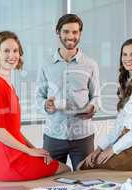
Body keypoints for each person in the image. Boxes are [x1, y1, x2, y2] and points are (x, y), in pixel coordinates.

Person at [0, 31, 70, 181]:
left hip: (12, 155)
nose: (12, 55)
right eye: (6, 51)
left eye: (15, 51)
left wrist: (33, 149)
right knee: (66, 169)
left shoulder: (7, 83)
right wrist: (29, 152)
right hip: (9, 160)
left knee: (60, 167)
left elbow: (13, 130)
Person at [77, 38, 132, 171]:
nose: (127, 58)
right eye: (124, 54)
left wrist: (113, 149)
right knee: (88, 161)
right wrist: (99, 149)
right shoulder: (129, 82)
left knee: (85, 166)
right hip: (124, 142)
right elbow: (120, 123)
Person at [35, 14, 101, 170]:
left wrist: (93, 107)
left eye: (75, 32)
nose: (70, 36)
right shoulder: (46, 64)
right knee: (51, 180)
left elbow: (96, 96)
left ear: (80, 34)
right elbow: (39, 96)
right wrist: (46, 105)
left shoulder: (90, 64)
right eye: (66, 31)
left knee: (85, 179)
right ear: (58, 32)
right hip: (54, 136)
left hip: (83, 137)